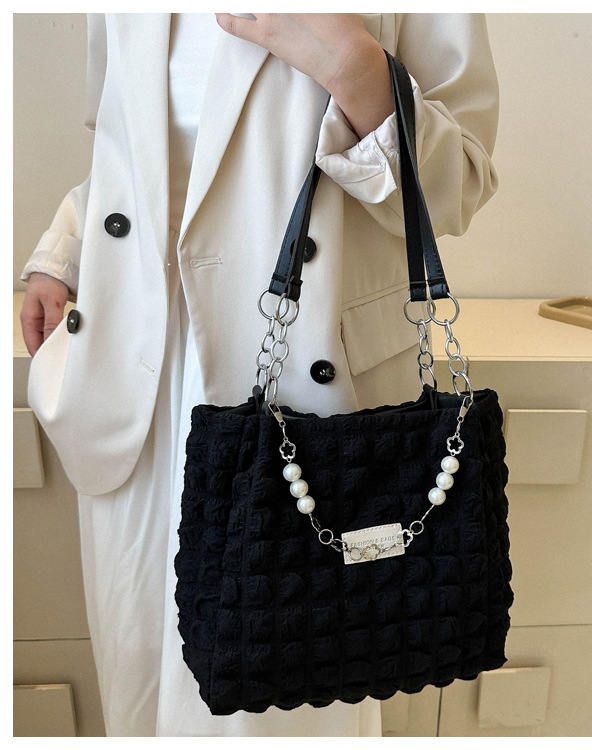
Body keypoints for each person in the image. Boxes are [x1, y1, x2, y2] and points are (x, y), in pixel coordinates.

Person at [20, 13, 499, 737]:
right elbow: (129, 147)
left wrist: (356, 70)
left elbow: (458, 183)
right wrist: (64, 251)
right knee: (139, 683)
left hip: (300, 391)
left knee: (286, 691)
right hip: (135, 378)